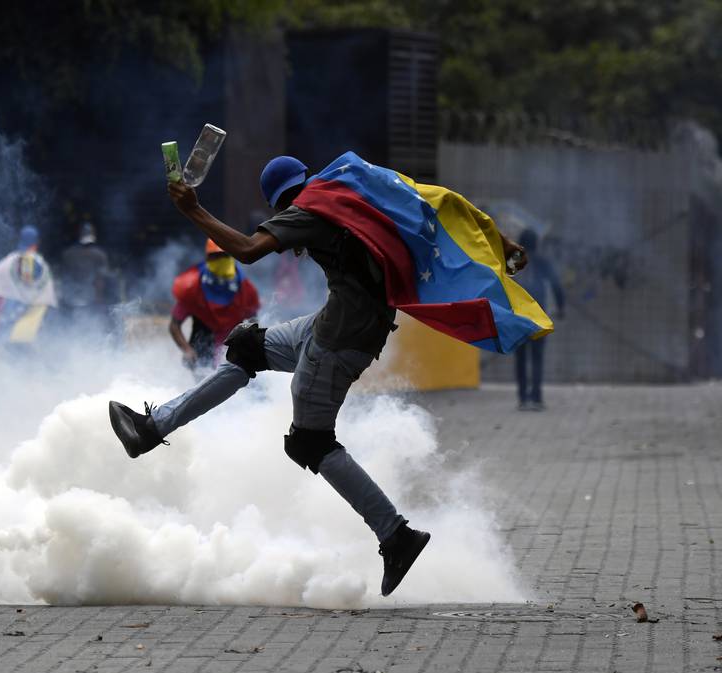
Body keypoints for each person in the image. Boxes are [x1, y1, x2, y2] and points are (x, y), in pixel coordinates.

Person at [109, 153, 549, 597]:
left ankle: (396, 535)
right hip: (337, 324)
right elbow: (434, 204)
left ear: (282, 203)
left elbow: (246, 250)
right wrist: (500, 241)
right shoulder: (352, 183)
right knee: (245, 347)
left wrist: (193, 210)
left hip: (339, 340)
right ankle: (152, 427)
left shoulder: (307, 211)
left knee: (311, 439)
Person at [169, 238, 260, 369]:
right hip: (202, 349)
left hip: (232, 349)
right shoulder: (192, 286)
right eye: (216, 256)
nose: (221, 260)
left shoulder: (246, 289)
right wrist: (187, 350)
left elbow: (253, 323)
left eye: (225, 255)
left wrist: (249, 348)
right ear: (208, 258)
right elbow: (174, 325)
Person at [0, 225, 58, 350]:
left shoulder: (3, 266)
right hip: (26, 334)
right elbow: (47, 307)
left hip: (2, 331)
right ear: (36, 244)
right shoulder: (44, 268)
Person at [512, 229, 565, 411]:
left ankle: (522, 398)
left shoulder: (514, 261)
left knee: (520, 358)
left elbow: (502, 285)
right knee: (537, 358)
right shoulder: (543, 262)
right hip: (538, 316)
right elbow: (557, 285)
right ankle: (536, 397)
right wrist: (560, 308)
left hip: (518, 317)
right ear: (537, 243)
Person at [59, 221, 113, 333]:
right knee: (94, 331)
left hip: (70, 300)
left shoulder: (67, 254)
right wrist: (100, 301)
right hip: (91, 301)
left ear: (80, 235)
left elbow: (64, 279)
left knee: (70, 331)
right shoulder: (100, 255)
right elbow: (100, 280)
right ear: (93, 236)